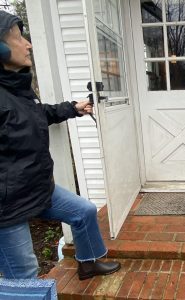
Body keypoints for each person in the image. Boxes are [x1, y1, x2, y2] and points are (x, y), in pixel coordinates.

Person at [0, 11, 120, 280]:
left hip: (37, 188)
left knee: (84, 211)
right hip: (7, 208)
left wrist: (72, 108)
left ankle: (88, 263)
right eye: (18, 38)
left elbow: (37, 114)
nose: (28, 44)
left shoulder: (16, 89)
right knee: (25, 275)